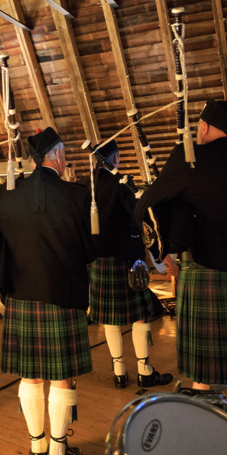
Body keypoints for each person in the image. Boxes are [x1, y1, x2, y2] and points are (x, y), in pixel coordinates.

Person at [135, 100, 227, 447]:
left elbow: (145, 204)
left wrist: (163, 252)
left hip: (207, 277)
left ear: (202, 127)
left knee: (203, 376)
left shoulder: (187, 158)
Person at [0, 127, 97, 455]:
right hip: (64, 294)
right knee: (62, 377)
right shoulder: (77, 195)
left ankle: (37, 447)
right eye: (65, 155)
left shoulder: (8, 196)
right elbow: (91, 248)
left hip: (20, 295)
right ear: (57, 156)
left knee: (30, 376)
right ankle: (59, 451)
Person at [88, 140, 173, 389]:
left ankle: (119, 372)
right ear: (115, 158)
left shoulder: (85, 185)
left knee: (110, 319)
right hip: (127, 261)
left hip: (96, 261)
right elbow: (139, 214)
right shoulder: (121, 182)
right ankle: (145, 371)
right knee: (140, 316)